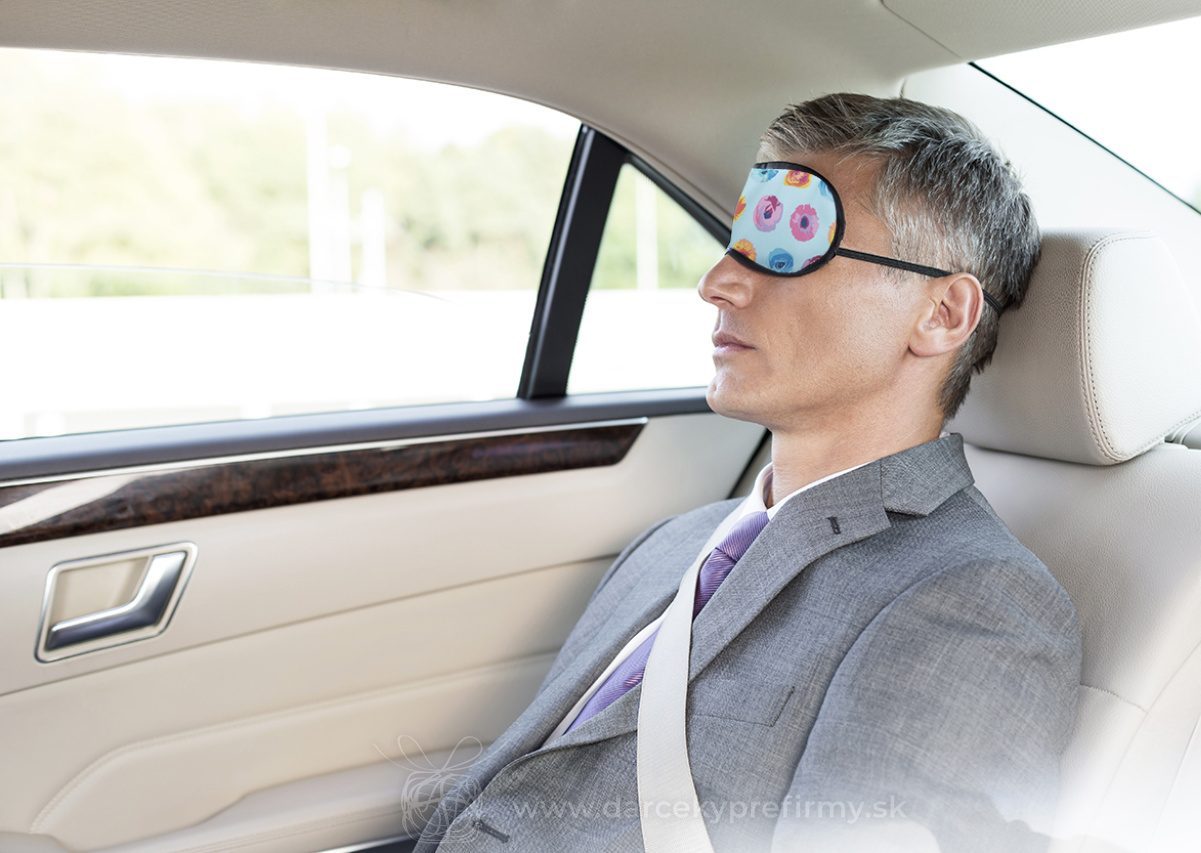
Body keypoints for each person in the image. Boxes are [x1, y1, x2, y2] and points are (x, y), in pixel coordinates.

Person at [413, 93, 1082, 853]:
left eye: (789, 247)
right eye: (740, 240)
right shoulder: (668, 548)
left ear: (942, 315)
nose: (718, 282)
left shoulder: (970, 601)